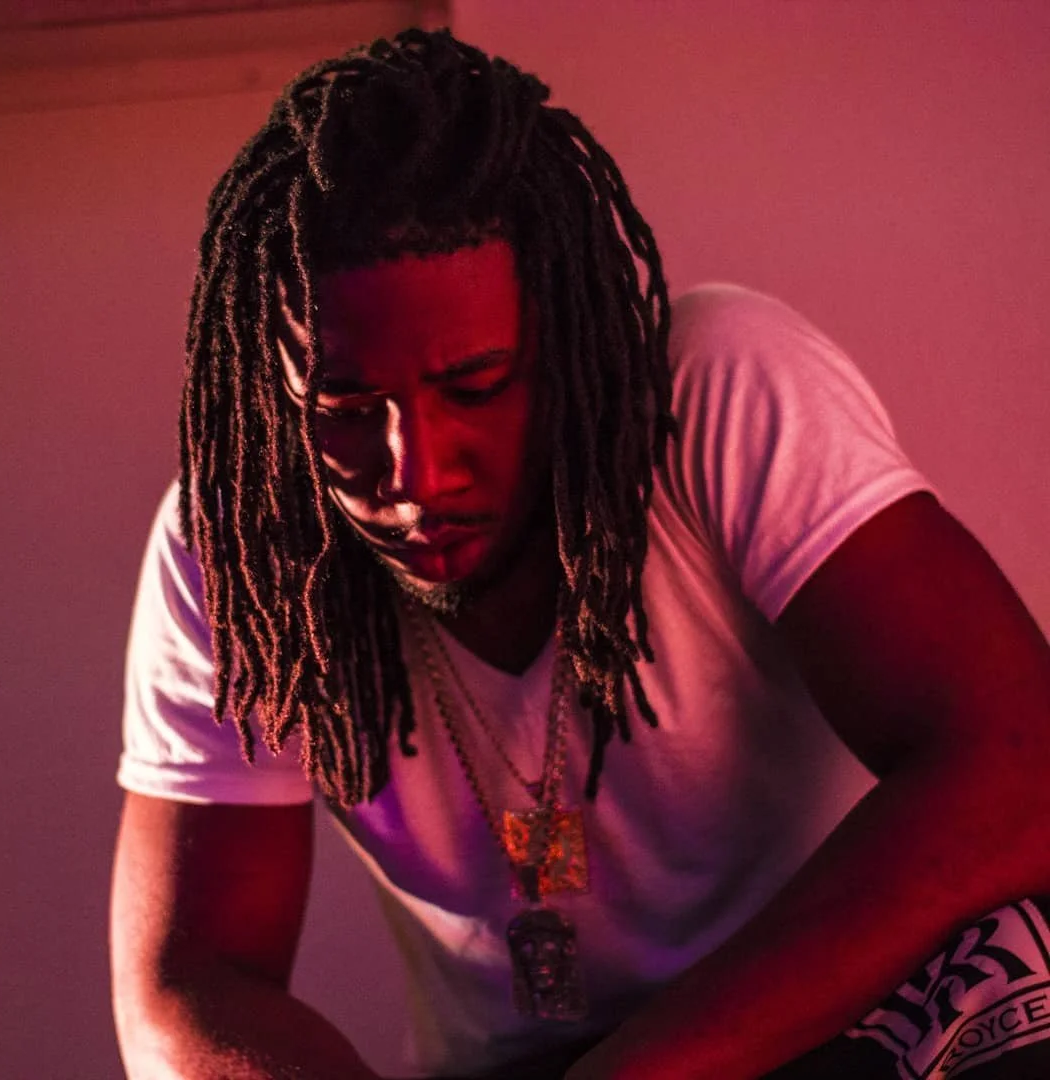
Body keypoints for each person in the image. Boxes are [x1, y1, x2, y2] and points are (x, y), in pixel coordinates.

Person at [109, 28, 1050, 1080]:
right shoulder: (239, 542)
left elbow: (1021, 771)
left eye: (475, 386)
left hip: (856, 1018)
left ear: (567, 338)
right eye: (343, 408)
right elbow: (190, 984)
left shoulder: (716, 387)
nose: (414, 471)